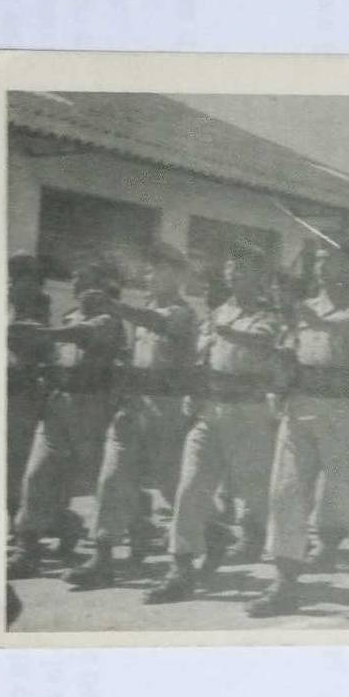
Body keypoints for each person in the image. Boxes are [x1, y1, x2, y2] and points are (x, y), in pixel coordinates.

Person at [249, 235, 349, 617]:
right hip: (301, 406)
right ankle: (284, 583)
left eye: (331, 261)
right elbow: (287, 352)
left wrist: (295, 311)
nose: (321, 268)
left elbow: (342, 328)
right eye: (319, 262)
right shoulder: (305, 308)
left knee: (348, 496)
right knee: (286, 492)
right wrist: (277, 372)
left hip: (345, 411)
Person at [145, 242, 283, 603]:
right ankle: (181, 568)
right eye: (230, 267)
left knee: (258, 495)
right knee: (190, 487)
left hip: (249, 413)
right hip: (211, 410)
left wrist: (230, 333)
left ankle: (286, 566)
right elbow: (201, 359)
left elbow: (266, 343)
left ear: (259, 277)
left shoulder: (268, 315)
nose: (233, 272)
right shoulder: (217, 313)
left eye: (243, 267)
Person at [64, 244, 196, 590]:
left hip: (165, 409)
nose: (149, 276)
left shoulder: (182, 312)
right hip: (133, 406)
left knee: (171, 485)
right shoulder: (146, 310)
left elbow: (158, 324)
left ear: (178, 276)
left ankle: (214, 531)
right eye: (148, 269)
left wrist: (115, 307)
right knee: (112, 478)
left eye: (158, 270)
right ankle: (102, 556)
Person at [8, 262, 125, 579]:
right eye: (76, 278)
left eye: (87, 279)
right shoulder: (69, 315)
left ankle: (109, 549)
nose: (79, 285)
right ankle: (26, 549)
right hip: (59, 402)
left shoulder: (110, 319)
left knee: (101, 480)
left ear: (104, 285)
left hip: (92, 407)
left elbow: (85, 335)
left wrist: (42, 333)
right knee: (36, 476)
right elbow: (56, 351)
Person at [7, 252, 53, 521]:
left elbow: (41, 343)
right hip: (11, 384)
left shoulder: (37, 301)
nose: (14, 282)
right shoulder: (10, 298)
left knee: (18, 457)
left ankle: (19, 518)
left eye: (20, 275)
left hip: (24, 388)